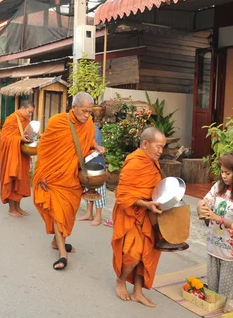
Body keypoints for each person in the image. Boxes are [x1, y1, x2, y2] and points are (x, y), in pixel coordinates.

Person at [33, 92, 104, 270]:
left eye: (90, 111)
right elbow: (44, 148)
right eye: (84, 111)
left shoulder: (88, 124)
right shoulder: (58, 122)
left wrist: (95, 147)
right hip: (54, 177)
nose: (87, 115)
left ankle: (57, 241)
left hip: (72, 178)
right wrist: (41, 173)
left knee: (67, 213)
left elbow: (84, 146)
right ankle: (62, 254)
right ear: (74, 107)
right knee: (59, 213)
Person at [111, 127, 166, 307]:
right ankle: (121, 280)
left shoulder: (152, 162)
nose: (161, 151)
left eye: (162, 147)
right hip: (131, 213)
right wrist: (146, 204)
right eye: (158, 147)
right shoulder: (135, 162)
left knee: (147, 254)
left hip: (148, 215)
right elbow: (123, 195)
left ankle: (137, 292)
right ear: (145, 144)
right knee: (133, 255)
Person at [196, 152, 233, 298]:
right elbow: (206, 201)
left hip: (232, 251)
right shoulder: (218, 187)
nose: (223, 176)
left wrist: (216, 217)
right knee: (213, 291)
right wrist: (202, 205)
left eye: (227, 173)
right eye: (222, 172)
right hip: (213, 246)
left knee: (227, 294)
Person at [0, 100, 35, 217]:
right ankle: (11, 209)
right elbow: (5, 138)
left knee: (21, 182)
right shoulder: (12, 119)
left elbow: (25, 134)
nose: (30, 114)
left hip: (22, 155)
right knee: (12, 180)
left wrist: (31, 137)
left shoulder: (26, 120)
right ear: (23, 108)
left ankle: (18, 207)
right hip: (11, 156)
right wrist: (19, 139)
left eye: (31, 113)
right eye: (29, 112)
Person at [77, 122, 107, 226]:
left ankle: (98, 216)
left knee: (98, 190)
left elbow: (95, 146)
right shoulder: (82, 128)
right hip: (86, 163)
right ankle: (89, 214)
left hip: (96, 162)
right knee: (88, 188)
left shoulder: (94, 129)